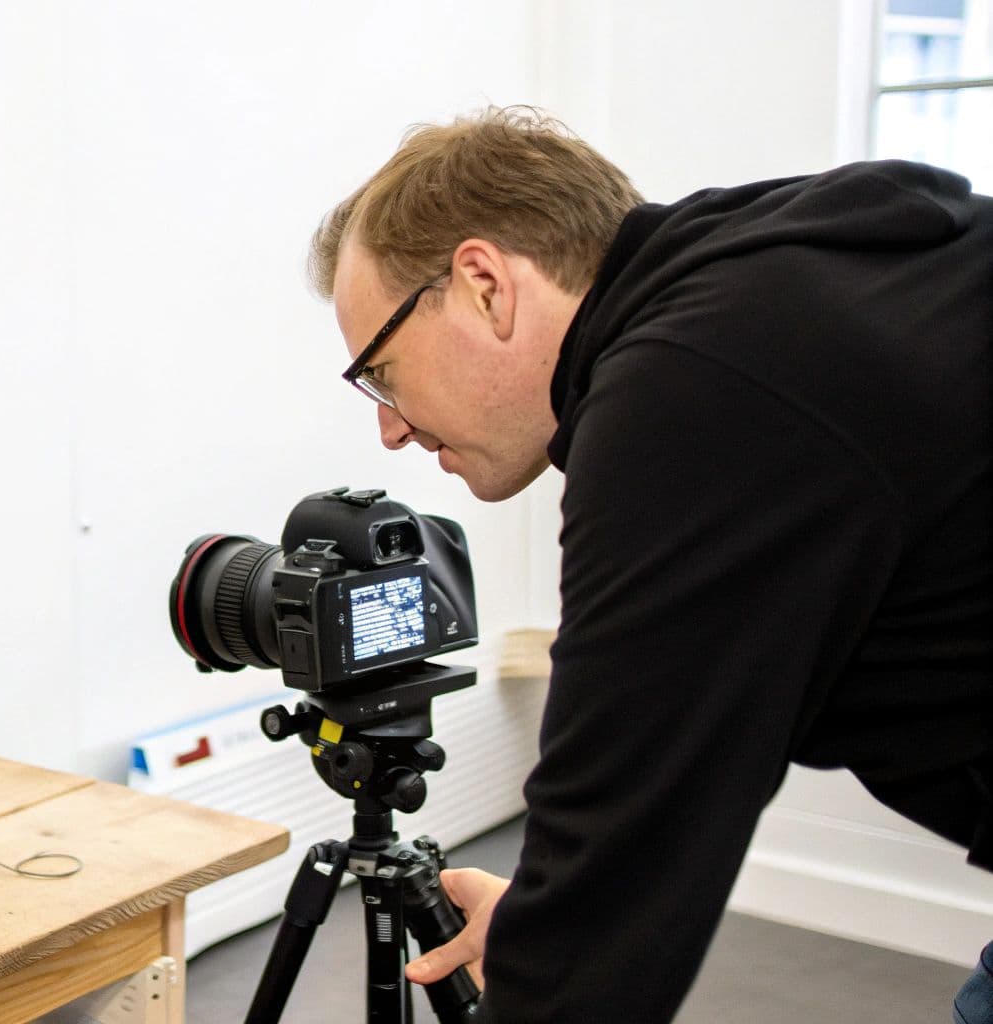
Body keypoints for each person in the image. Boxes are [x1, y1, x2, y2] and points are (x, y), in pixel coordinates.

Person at [308, 106, 993, 1022]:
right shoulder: (773, 283)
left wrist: (574, 925)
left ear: (481, 283)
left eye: (382, 372)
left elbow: (623, 833)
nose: (389, 427)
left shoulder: (694, 387)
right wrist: (570, 908)